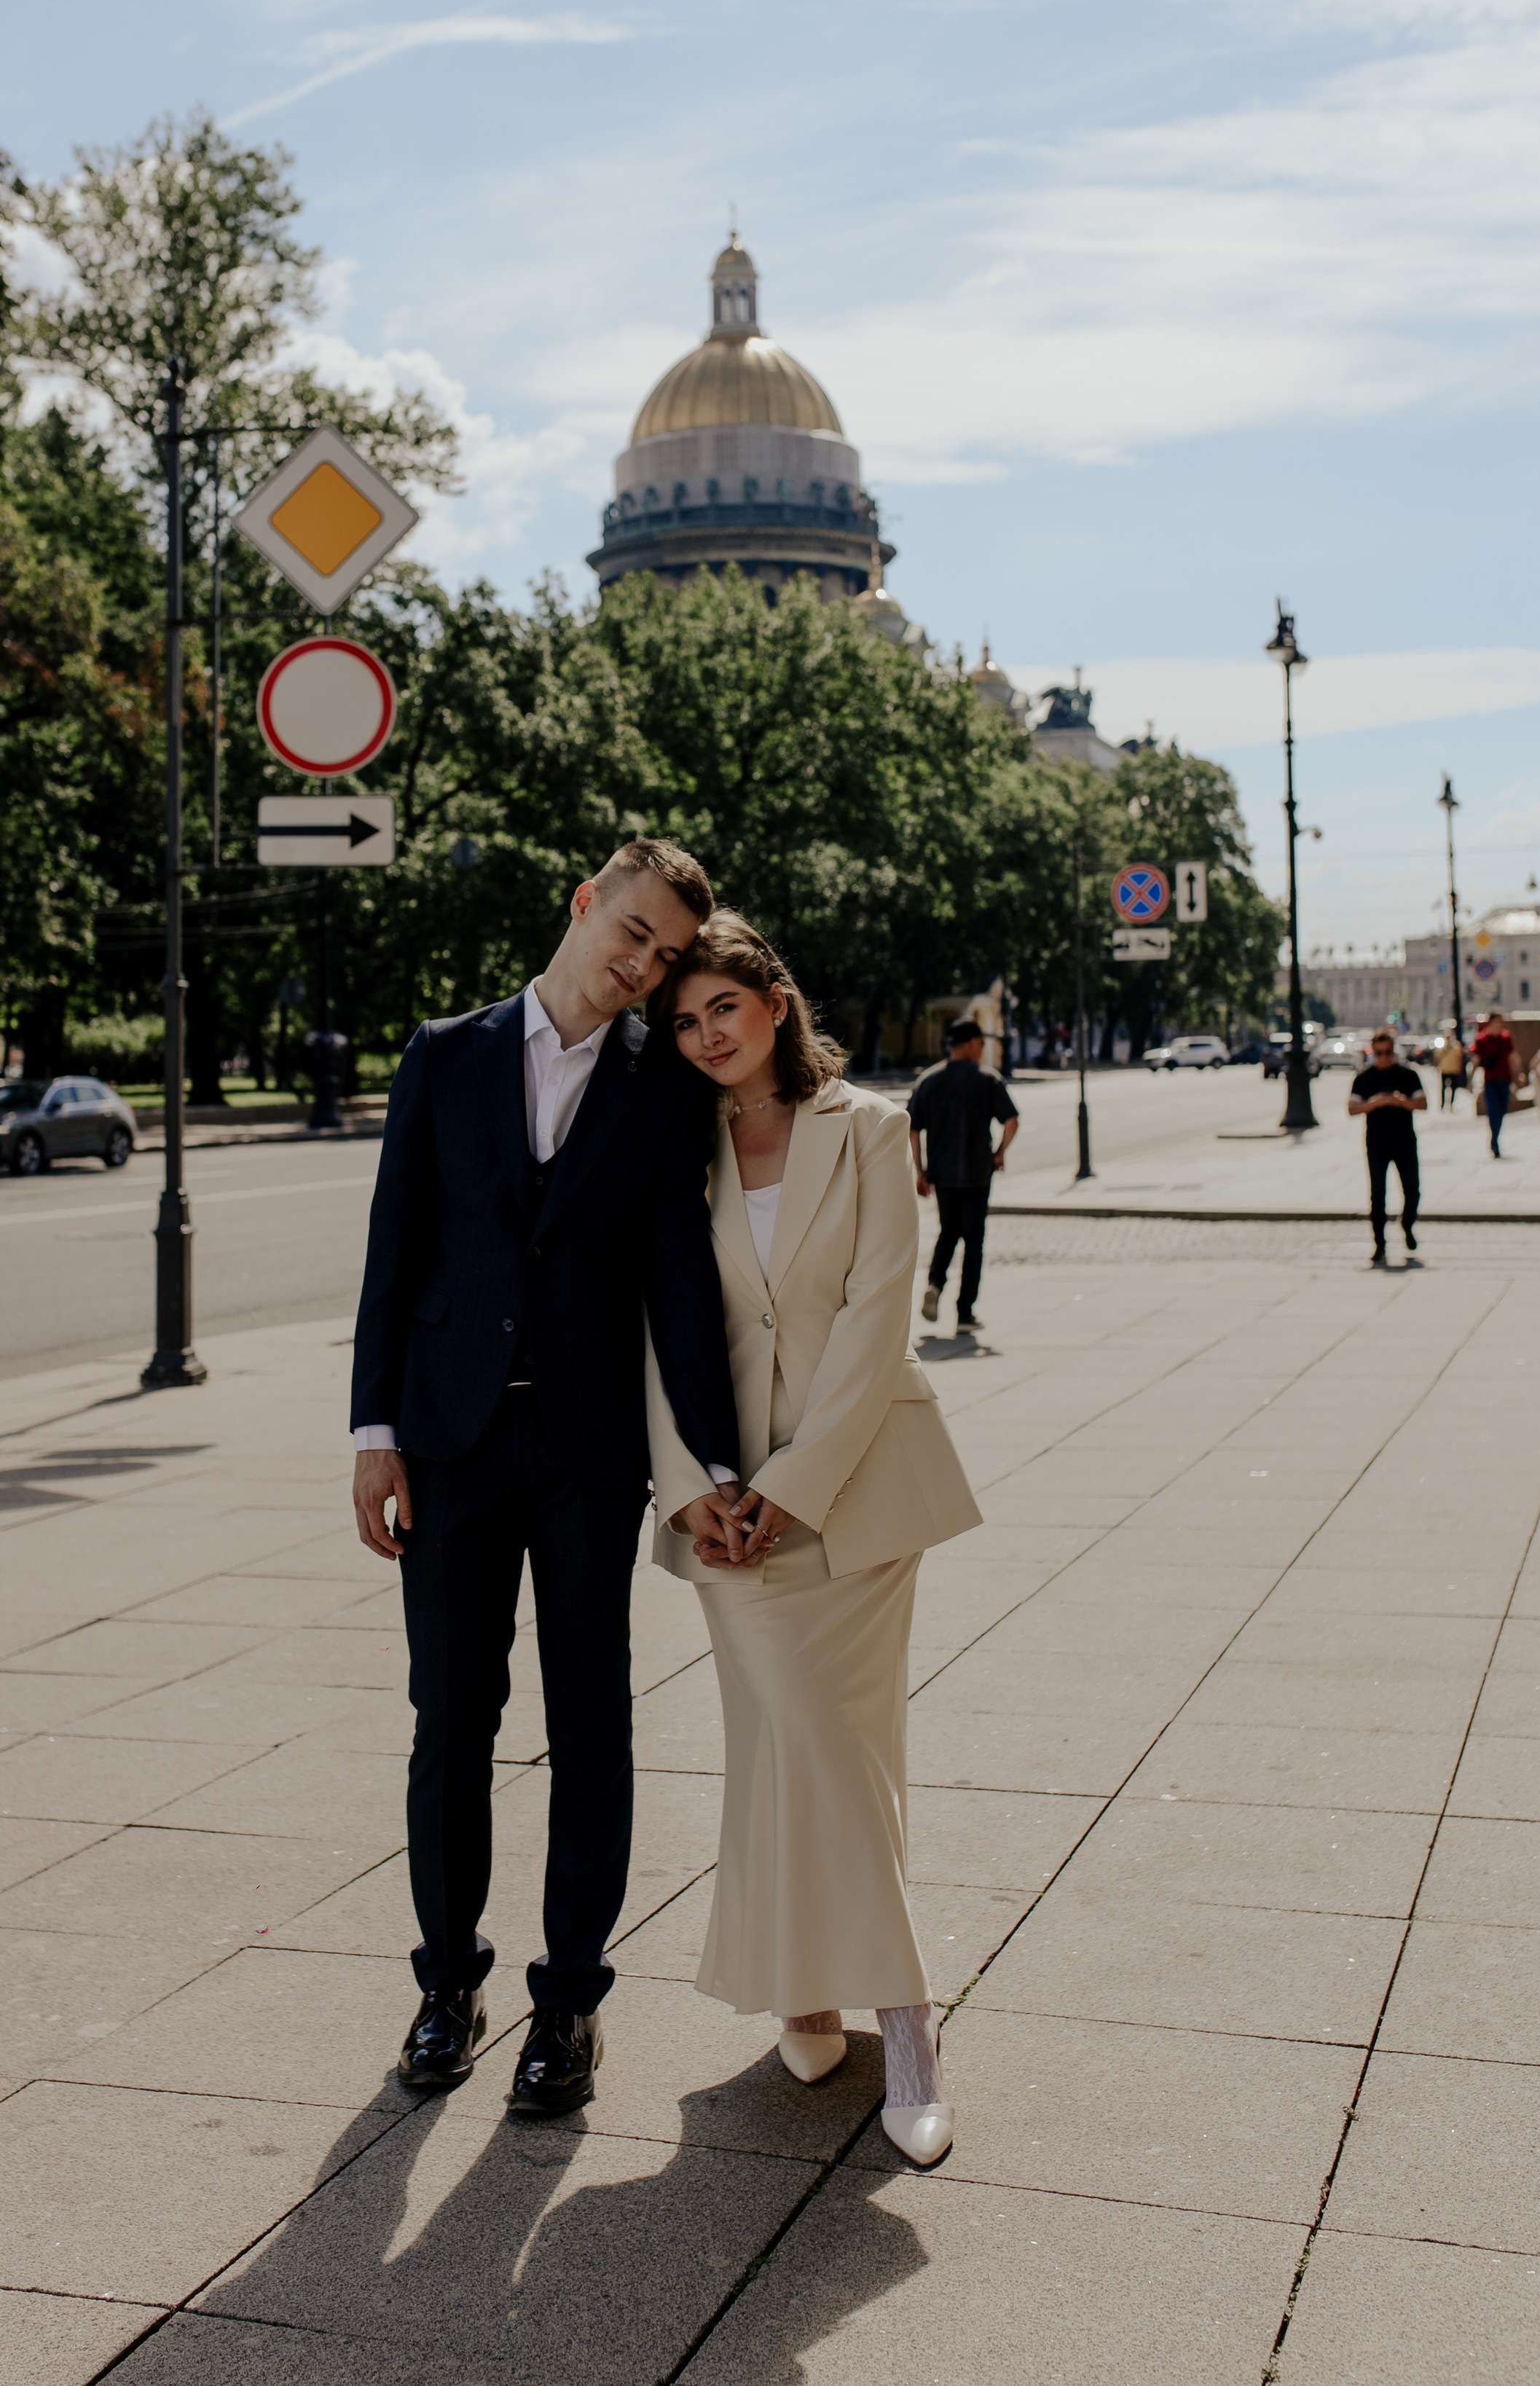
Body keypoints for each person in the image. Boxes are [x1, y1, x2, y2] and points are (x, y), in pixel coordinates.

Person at [351, 841, 744, 2116]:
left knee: (593, 1728)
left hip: (586, 1458)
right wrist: (374, 1435)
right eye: (630, 933)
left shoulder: (664, 1086)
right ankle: (446, 1987)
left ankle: (568, 2006)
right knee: (450, 1725)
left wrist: (719, 1455)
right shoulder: (442, 1054)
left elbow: (679, 1281)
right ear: (585, 907)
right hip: (450, 1447)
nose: (640, 965)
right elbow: (394, 1255)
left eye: (666, 956)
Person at [646, 914, 983, 2168]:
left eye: (721, 1008)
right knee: (779, 1743)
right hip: (727, 1513)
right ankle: (808, 1988)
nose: (705, 1036)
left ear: (774, 1004)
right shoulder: (678, 1147)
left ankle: (903, 2023)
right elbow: (652, 1325)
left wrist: (797, 1483)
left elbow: (876, 1318)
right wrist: (691, 1489)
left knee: (846, 1748)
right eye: (683, 1022)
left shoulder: (875, 1129)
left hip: (859, 1492)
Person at [906, 1016, 1018, 1332]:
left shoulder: (929, 1080)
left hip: (941, 1174)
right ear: (970, 1044)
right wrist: (999, 1153)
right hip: (977, 1171)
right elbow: (1011, 1121)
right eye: (982, 1044)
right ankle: (965, 1311)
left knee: (948, 1231)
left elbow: (912, 1128)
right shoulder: (987, 1078)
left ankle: (935, 1284)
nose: (982, 1050)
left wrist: (920, 1171)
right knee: (974, 1238)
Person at [1348, 1029, 1426, 1264]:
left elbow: (1423, 1103)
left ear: (1394, 1052)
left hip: (1404, 1140)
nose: (1383, 1057)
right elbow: (1352, 1108)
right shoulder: (1364, 1078)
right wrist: (1374, 1103)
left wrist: (1401, 1101)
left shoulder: (1407, 1075)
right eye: (1379, 1053)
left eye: (1387, 1052)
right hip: (1376, 1142)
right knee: (1377, 1194)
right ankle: (1379, 1244)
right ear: (1373, 1052)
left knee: (1413, 1190)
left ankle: (1407, 1224)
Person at [1471, 1010, 1520, 1159]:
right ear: (1491, 1022)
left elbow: (1513, 1057)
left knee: (1502, 1110)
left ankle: (1494, 1138)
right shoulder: (1482, 1039)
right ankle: (1495, 1142)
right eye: (1497, 1021)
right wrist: (1470, 1080)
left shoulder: (1505, 1038)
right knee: (1493, 1111)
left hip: (1505, 1079)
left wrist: (1519, 1073)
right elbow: (1476, 1060)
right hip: (1490, 1080)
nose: (1500, 1025)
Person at [1434, 1029, 1466, 1110]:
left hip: (1453, 1070)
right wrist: (1437, 1066)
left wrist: (1459, 1068)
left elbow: (1460, 1058)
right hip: (1444, 1070)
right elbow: (1437, 1057)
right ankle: (1442, 1104)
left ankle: (1451, 1104)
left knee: (1453, 1088)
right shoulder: (1442, 1046)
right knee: (1443, 1088)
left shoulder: (1456, 1045)